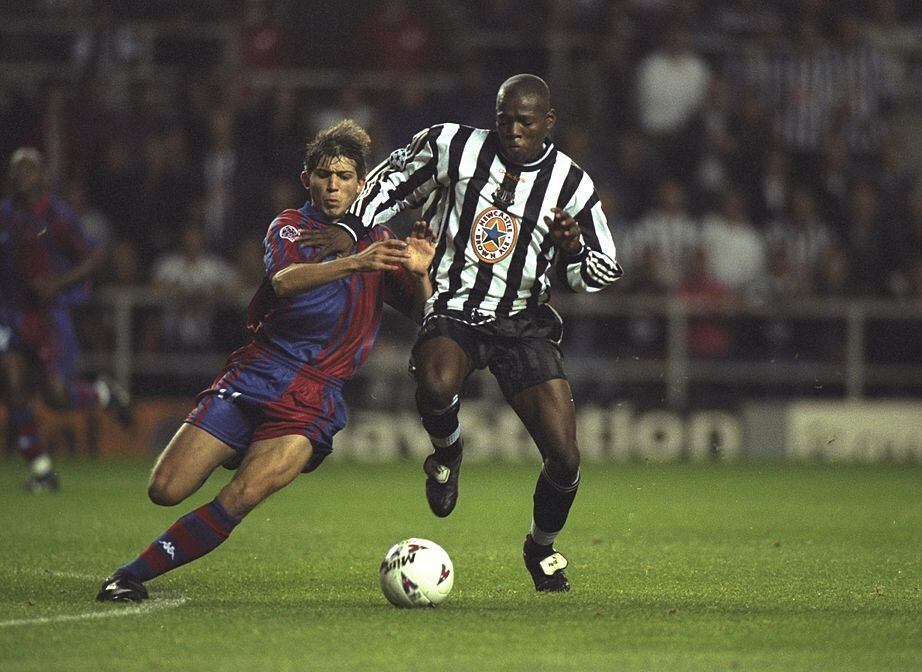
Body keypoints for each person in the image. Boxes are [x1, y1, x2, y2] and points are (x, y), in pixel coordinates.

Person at [96, 119, 435, 602]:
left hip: (314, 396)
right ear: (307, 180)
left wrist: (420, 275)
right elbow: (284, 281)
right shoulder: (291, 225)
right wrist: (354, 262)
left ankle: (129, 576)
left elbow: (429, 314)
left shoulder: (383, 242)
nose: (333, 185)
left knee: (241, 496)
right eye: (323, 175)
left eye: (343, 177)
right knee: (165, 489)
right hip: (258, 371)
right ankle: (238, 443)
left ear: (363, 184)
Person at [309, 74, 624, 592]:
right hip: (454, 303)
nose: (513, 130)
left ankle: (540, 548)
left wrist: (572, 250)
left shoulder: (572, 184)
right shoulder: (452, 144)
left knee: (565, 457)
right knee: (435, 382)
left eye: (526, 121)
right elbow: (390, 182)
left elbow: (599, 272)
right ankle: (448, 452)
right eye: (505, 118)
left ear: (548, 122)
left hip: (523, 319)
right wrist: (350, 228)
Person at [0, 147, 132, 493]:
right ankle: (42, 472)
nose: (22, 176)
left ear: (42, 175)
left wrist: (55, 284)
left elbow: (92, 257)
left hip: (49, 317)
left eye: (29, 169)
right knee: (13, 384)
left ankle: (104, 394)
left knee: (55, 396)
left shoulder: (56, 216)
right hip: (12, 315)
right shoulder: (6, 215)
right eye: (17, 170)